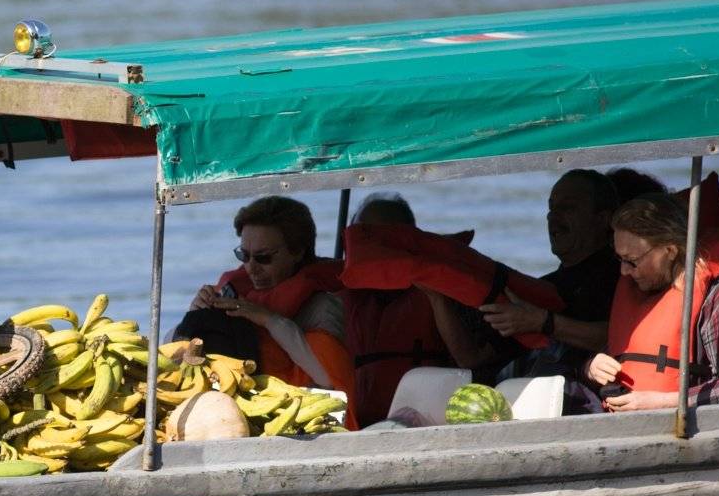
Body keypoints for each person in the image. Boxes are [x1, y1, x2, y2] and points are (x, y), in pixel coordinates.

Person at [586, 193, 719, 410]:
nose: (624, 271)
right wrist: (591, 368)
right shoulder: (636, 293)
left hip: (682, 430)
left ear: (670, 251)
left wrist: (663, 402)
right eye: (619, 259)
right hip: (622, 428)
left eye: (631, 261)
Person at [341, 194, 495, 424]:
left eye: (384, 237)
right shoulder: (335, 293)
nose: (372, 247)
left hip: (429, 421)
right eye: (364, 236)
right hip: (357, 425)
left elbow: (471, 361)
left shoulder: (447, 287)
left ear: (408, 239)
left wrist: (436, 297)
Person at [177, 195, 352, 393]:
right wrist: (196, 315)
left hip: (295, 407)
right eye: (243, 255)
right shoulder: (237, 293)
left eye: (264, 257)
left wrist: (269, 320)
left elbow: (328, 378)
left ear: (297, 252)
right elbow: (171, 353)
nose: (252, 268)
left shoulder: (324, 307)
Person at [479, 168, 623, 352]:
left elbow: (620, 338)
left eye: (567, 207)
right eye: (551, 207)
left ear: (603, 219)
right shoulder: (540, 290)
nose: (552, 216)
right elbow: (473, 357)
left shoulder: (625, 276)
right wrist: (438, 295)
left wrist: (542, 322)